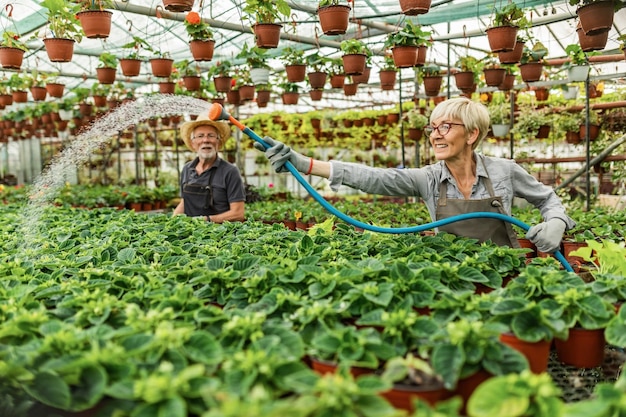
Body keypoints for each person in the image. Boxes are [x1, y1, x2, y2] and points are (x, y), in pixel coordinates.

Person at [255, 97, 575, 252]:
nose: (435, 135)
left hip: (503, 271)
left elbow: (548, 200)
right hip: (451, 274)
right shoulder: (429, 178)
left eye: (446, 127)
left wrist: (556, 224)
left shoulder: (505, 170)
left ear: (473, 134)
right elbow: (373, 178)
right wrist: (304, 162)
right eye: (432, 127)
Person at [174, 114, 245, 223]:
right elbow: (185, 202)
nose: (205, 140)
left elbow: (238, 213)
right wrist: (172, 221)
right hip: (190, 234)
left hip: (221, 236)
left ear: (218, 142)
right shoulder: (187, 169)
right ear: (193, 143)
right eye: (200, 136)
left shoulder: (230, 172)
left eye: (211, 135)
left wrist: (205, 220)